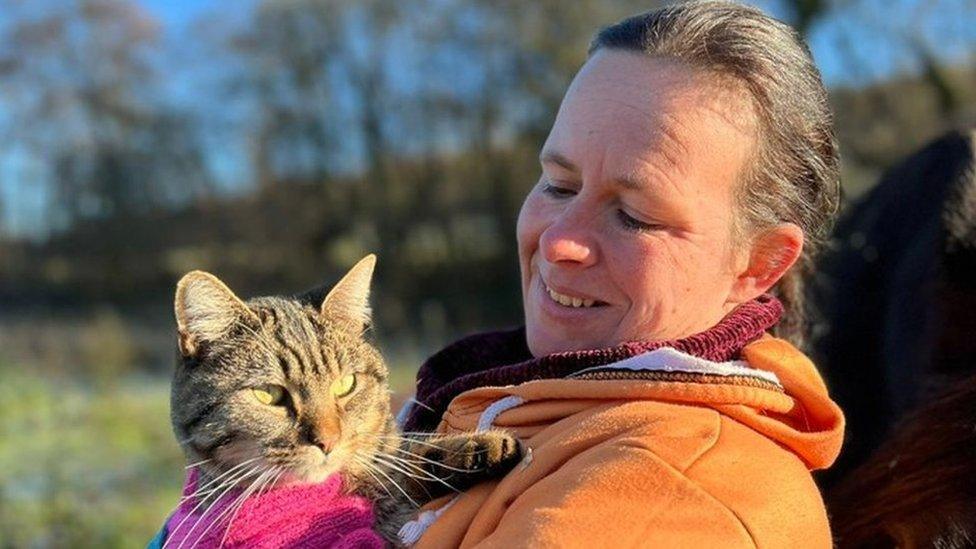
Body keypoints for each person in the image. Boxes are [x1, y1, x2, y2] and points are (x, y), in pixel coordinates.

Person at [396, 1, 844, 547]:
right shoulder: (502, 396)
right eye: (558, 185)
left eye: (634, 217)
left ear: (758, 263)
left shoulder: (670, 494)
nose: (560, 240)